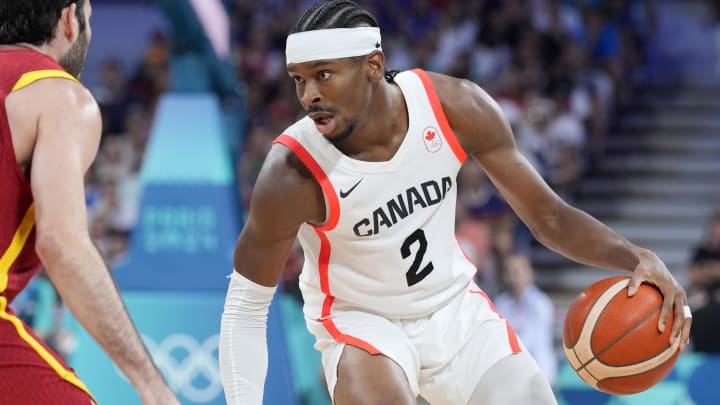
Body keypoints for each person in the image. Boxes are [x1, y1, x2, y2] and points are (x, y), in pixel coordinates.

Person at [219, 1, 692, 404]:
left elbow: (548, 218)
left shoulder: (454, 106)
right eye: (299, 80)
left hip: (454, 309)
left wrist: (637, 257)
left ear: (373, 66)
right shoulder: (291, 172)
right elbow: (245, 306)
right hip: (361, 321)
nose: (310, 95)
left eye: (323, 75)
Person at [0, 1, 178, 404]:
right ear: (69, 19)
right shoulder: (58, 95)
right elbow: (62, 243)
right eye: (90, 20)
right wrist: (153, 386)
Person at [493, 253, 557, 386]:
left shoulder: (540, 303)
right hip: (512, 377)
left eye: (516, 272)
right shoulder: (501, 303)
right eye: (508, 272)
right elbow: (496, 335)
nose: (513, 277)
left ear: (529, 273)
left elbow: (532, 338)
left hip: (540, 375)